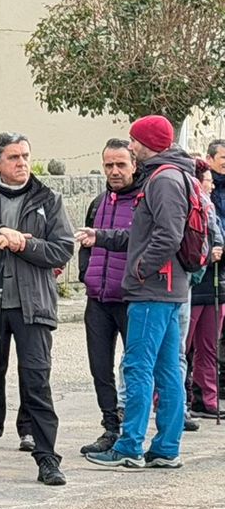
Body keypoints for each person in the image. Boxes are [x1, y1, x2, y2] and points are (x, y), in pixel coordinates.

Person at [0, 132, 74, 485]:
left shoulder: (48, 199)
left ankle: (47, 458)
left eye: (25, 156)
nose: (22, 163)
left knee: (36, 381)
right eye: (13, 157)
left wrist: (23, 245)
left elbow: (62, 249)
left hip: (33, 306)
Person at [77, 117, 195, 469]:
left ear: (148, 144)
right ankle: (167, 448)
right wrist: (101, 237)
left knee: (138, 367)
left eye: (134, 141)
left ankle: (130, 445)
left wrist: (141, 269)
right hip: (169, 288)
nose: (131, 146)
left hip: (153, 290)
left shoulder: (163, 180)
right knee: (167, 369)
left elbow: (167, 236)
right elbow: (142, 235)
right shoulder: (172, 175)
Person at [78, 139, 140, 454]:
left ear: (134, 165)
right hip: (98, 300)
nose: (114, 171)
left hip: (131, 299)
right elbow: (85, 243)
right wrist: (85, 275)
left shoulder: (144, 201)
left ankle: (133, 431)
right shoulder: (98, 202)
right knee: (100, 369)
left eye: (121, 164)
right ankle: (110, 428)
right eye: (108, 165)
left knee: (136, 368)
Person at [188, 150, 225, 419]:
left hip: (215, 284)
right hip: (193, 285)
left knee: (209, 346)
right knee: (183, 348)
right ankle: (176, 399)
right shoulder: (190, 208)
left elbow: (219, 238)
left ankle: (206, 399)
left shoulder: (212, 209)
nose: (211, 186)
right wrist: (206, 255)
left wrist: (219, 250)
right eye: (207, 181)